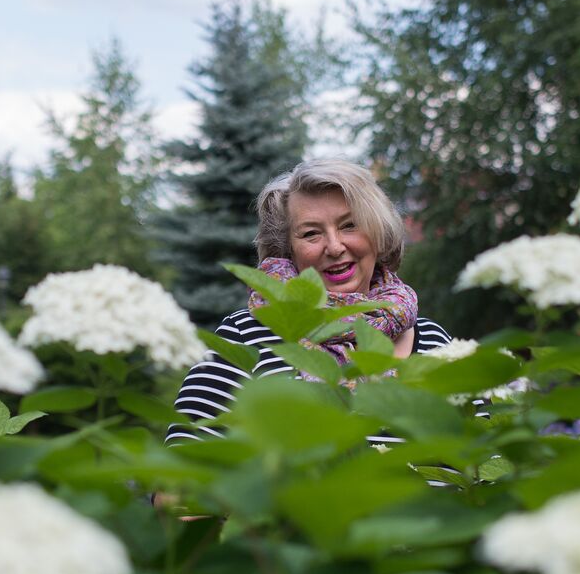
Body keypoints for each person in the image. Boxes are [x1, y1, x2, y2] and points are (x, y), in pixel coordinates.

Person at [166, 157, 458, 448]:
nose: (334, 247)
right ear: (287, 249)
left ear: (378, 233)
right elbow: (183, 463)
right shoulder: (246, 334)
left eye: (350, 225)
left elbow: (478, 459)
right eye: (311, 233)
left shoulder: (434, 343)